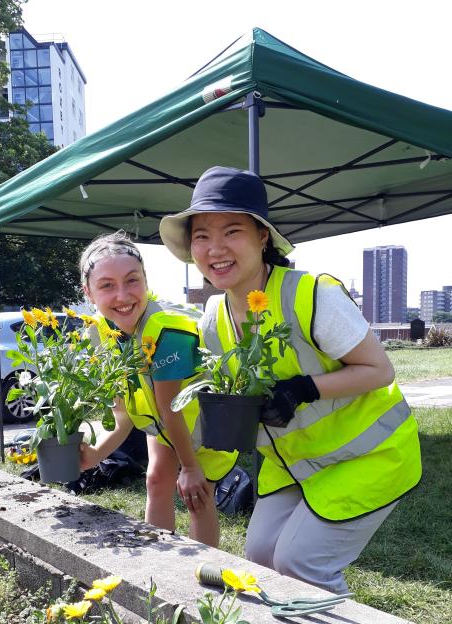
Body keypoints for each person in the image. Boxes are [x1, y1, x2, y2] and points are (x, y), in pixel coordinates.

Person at [159, 166, 422, 593]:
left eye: (232, 231)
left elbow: (380, 370)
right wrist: (199, 469)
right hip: (294, 465)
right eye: (202, 236)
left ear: (263, 236)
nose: (215, 248)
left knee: (299, 563)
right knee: (261, 560)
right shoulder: (212, 319)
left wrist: (304, 389)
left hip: (369, 456)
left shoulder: (310, 294)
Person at [78, 231, 237, 547]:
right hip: (165, 422)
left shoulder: (168, 330)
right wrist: (94, 454)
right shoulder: (100, 332)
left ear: (146, 281)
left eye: (132, 280)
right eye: (107, 285)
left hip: (205, 421)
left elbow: (172, 407)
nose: (123, 295)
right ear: (89, 293)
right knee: (156, 479)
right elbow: (123, 413)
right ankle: (158, 562)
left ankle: (206, 575)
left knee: (197, 493)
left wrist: (190, 467)